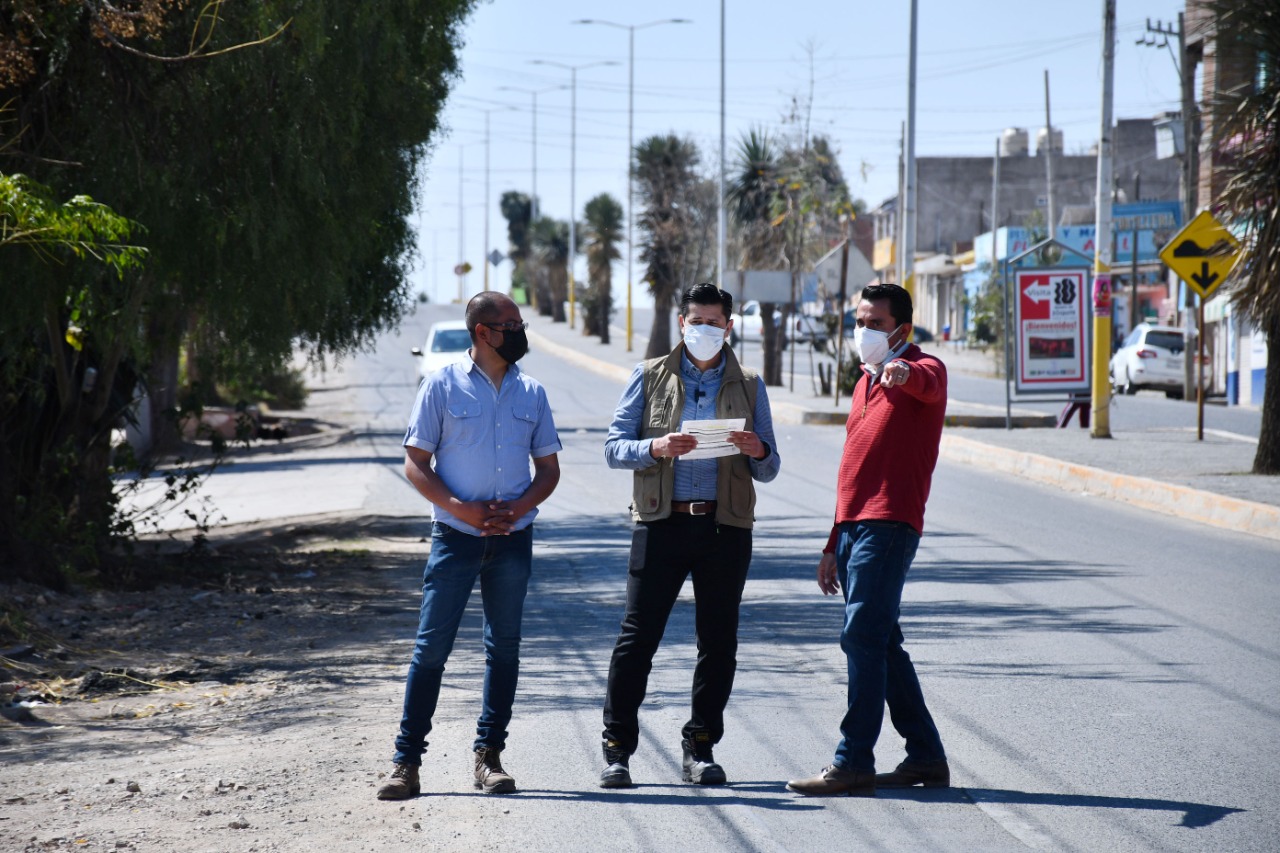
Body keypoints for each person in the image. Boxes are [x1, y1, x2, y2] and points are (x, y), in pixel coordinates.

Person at [377, 292, 561, 800]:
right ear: (483, 332)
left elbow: (549, 471)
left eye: (521, 323)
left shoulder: (532, 392)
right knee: (431, 649)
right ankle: (406, 763)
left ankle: (489, 757)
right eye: (512, 324)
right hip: (455, 540)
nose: (520, 332)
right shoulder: (440, 384)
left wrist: (517, 509)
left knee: (504, 651)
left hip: (513, 542)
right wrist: (461, 508)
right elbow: (415, 461)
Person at [599, 282, 781, 788]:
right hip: (661, 523)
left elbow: (770, 468)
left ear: (729, 326)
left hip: (725, 529)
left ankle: (701, 746)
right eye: (694, 321)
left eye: (713, 322)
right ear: (682, 324)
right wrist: (656, 446)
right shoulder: (650, 376)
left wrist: (755, 449)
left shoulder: (749, 384)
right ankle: (617, 750)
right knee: (637, 639)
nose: (703, 330)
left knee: (718, 642)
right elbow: (614, 448)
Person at [787, 283, 950, 798]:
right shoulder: (863, 383)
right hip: (856, 526)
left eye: (875, 323)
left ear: (902, 329)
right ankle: (925, 755)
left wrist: (903, 371)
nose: (863, 331)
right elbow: (852, 469)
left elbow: (923, 379)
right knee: (883, 642)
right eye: (859, 321)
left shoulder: (924, 369)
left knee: (861, 636)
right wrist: (833, 540)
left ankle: (853, 761)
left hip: (891, 523)